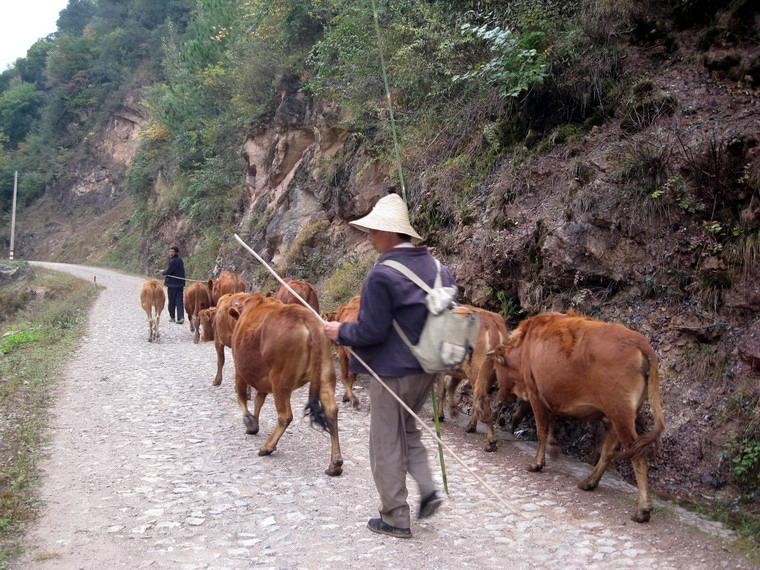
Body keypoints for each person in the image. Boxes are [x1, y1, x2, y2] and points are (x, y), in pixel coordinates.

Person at [324, 193, 453, 539]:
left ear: (390, 234)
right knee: (408, 431)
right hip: (429, 367)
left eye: (374, 231)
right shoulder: (441, 270)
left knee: (385, 442)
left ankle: (395, 516)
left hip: (393, 374)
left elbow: (370, 332)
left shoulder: (382, 275)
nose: (370, 238)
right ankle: (429, 490)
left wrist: (340, 332)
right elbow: (443, 317)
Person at [161, 245, 185, 324]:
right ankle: (181, 318)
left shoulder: (173, 261)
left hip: (173, 285)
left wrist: (162, 272)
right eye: (170, 251)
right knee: (179, 301)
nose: (170, 253)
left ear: (176, 252)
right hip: (180, 284)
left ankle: (173, 317)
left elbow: (168, 271)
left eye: (172, 251)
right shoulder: (180, 260)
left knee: (172, 301)